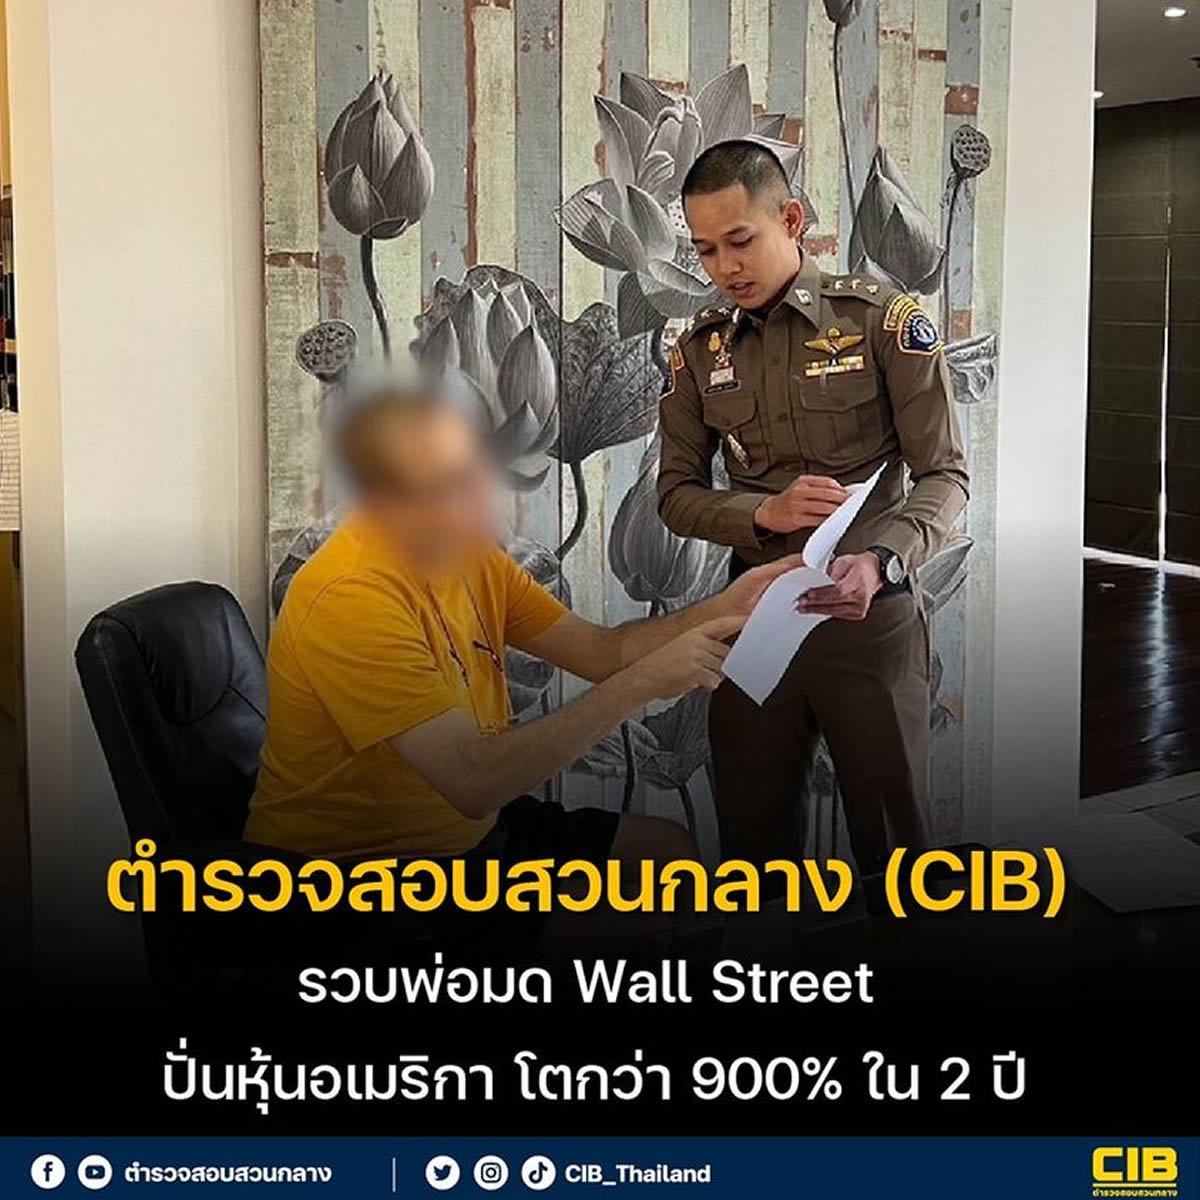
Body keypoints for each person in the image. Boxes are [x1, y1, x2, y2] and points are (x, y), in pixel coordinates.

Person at [245, 378, 801, 939]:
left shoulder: (470, 555)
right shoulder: (349, 596)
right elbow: (473, 781)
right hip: (356, 873)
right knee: (616, 928)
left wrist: (724, 606)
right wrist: (643, 683)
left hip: (470, 838)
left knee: (666, 856)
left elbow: (602, 651)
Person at [656, 139, 968, 881]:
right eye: (706, 250)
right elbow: (675, 496)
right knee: (752, 849)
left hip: (870, 624)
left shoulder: (882, 322)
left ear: (791, 220)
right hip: (753, 622)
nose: (725, 267)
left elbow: (945, 475)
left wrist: (882, 561)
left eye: (740, 240)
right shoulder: (698, 351)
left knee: (895, 852)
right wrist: (761, 515)